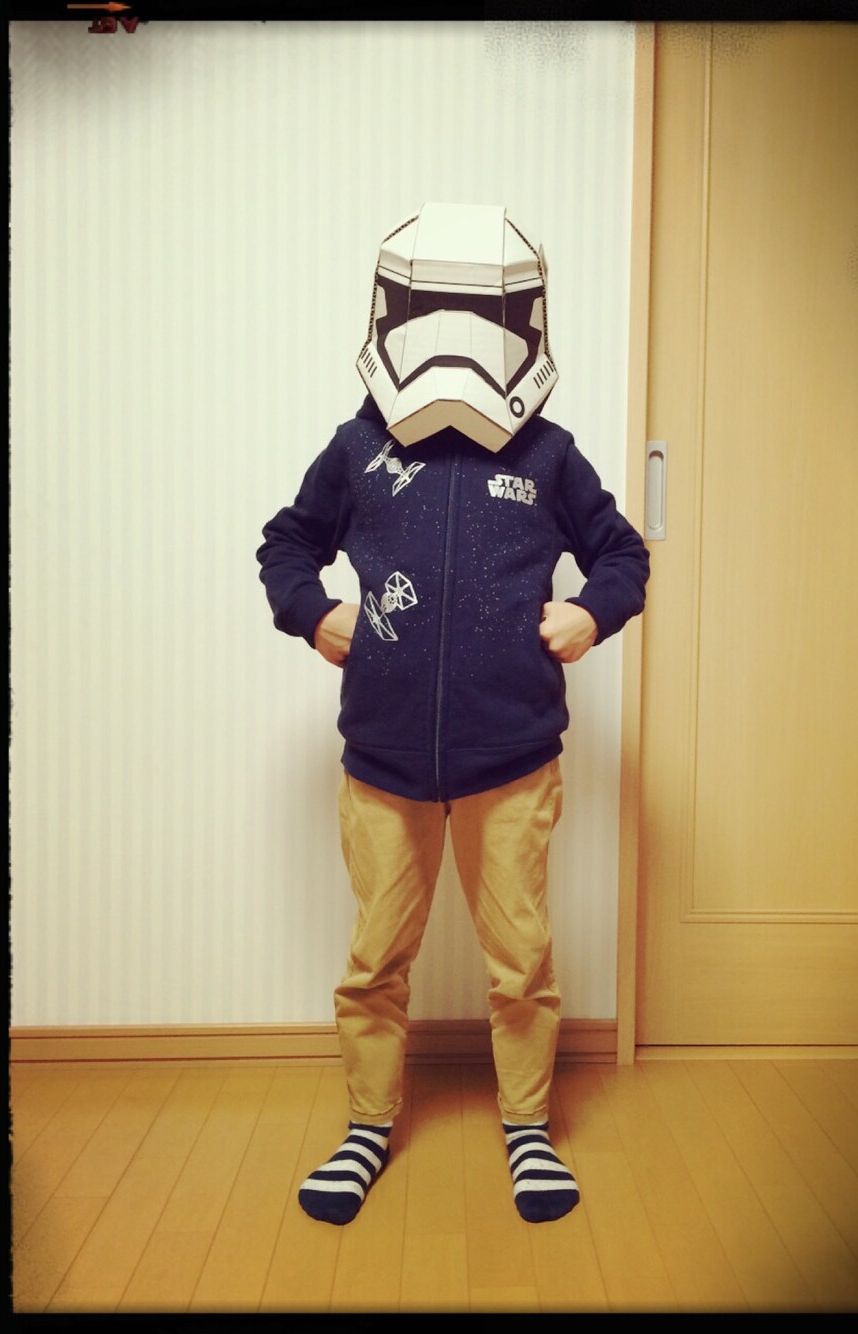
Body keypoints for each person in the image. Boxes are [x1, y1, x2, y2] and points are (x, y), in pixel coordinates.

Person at [256, 202, 649, 1226]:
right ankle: (366, 1124)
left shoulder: (549, 455)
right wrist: (314, 612)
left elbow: (622, 555)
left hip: (512, 761)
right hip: (381, 760)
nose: (454, 340)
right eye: (431, 311)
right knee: (374, 961)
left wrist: (590, 612)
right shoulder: (358, 448)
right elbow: (287, 543)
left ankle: (527, 1125)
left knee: (521, 962)